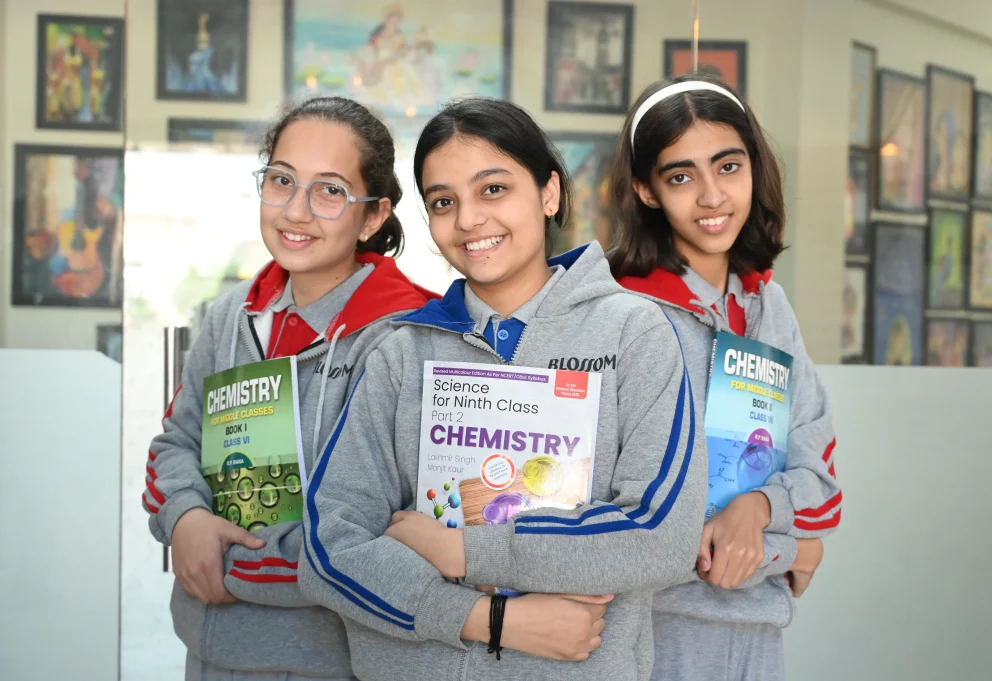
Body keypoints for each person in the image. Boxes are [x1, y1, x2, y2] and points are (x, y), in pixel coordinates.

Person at [298, 97, 708, 681]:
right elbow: (329, 546)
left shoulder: (634, 335)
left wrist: (461, 552)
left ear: (549, 193)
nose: (468, 220)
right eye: (444, 202)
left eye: (493, 189)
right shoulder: (401, 351)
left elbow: (660, 534)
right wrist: (481, 617)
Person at [142, 96, 437, 681]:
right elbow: (176, 442)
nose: (296, 211)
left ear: (374, 215)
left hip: (342, 660)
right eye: (281, 180)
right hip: (211, 649)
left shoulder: (412, 336)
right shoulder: (232, 317)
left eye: (329, 191)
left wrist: (230, 564)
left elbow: (404, 527)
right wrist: (186, 520)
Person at [610, 76, 842, 681]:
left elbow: (818, 472)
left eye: (728, 166)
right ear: (646, 189)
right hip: (646, 636)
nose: (712, 197)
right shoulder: (620, 315)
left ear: (754, 168)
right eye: (681, 176)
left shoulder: (769, 305)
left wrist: (760, 506)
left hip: (758, 633)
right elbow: (617, 519)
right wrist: (795, 549)